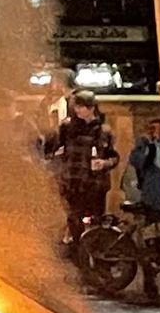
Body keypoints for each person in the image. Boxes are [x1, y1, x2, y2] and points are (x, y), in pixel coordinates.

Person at [42, 90, 119, 248]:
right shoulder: (67, 127)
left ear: (91, 108)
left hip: (94, 185)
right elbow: (53, 148)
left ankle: (92, 253)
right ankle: (77, 250)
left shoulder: (103, 131)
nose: (78, 111)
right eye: (76, 107)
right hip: (72, 183)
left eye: (81, 107)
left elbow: (114, 156)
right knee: (74, 220)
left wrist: (104, 164)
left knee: (95, 222)